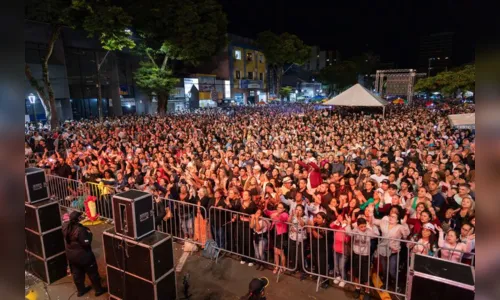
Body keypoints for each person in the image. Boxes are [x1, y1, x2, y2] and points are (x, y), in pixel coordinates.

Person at [62, 211, 107, 297]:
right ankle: (98, 290)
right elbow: (86, 243)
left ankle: (81, 290)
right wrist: (89, 234)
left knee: (77, 273)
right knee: (93, 272)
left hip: (71, 256)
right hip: (83, 256)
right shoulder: (81, 230)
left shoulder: (66, 227)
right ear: (78, 219)